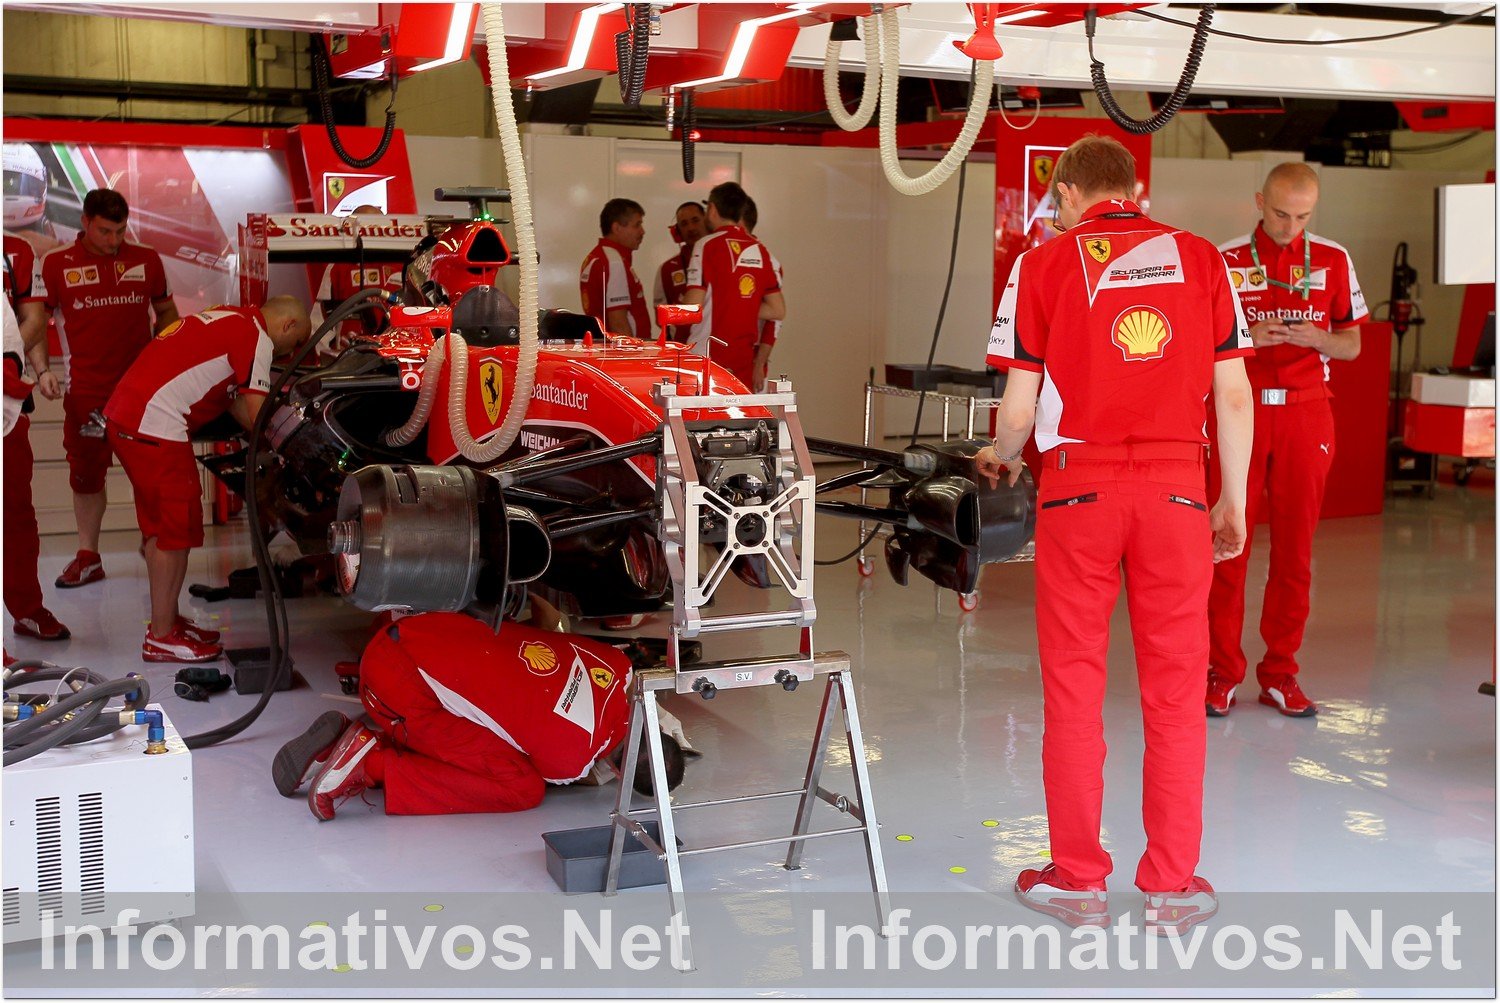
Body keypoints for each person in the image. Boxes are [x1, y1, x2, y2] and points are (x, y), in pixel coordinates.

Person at [976, 135, 1254, 934]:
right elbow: (1231, 396)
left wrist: (995, 457)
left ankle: (1077, 880)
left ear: (1066, 195)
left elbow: (1019, 415)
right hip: (1177, 492)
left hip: (1079, 495)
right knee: (1175, 691)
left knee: (1073, 686)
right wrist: (1229, 501)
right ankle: (1170, 886)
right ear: (1135, 187)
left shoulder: (1044, 264)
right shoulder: (1205, 260)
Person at [1207, 162, 1367, 719]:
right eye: (1279, 214)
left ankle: (1280, 672)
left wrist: (1320, 337)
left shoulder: (1332, 258)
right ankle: (1221, 672)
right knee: (1229, 545)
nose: (1289, 226)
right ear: (1259, 200)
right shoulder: (1225, 259)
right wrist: (1247, 337)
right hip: (1239, 413)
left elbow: (1352, 346)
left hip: (1305, 414)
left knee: (1296, 552)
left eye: (1301, 216)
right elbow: (1201, 345)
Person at [271, 611, 684, 820]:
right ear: (618, 771)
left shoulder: (617, 663)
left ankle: (355, 736)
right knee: (522, 785)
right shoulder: (570, 763)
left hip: (413, 631)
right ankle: (372, 760)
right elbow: (503, 759)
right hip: (396, 685)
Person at [103, 297, 311, 663]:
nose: (287, 354)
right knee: (175, 531)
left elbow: (232, 400)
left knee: (160, 530)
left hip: (130, 417)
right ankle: (162, 637)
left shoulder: (232, 316)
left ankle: (166, 623)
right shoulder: (257, 339)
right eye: (293, 345)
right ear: (288, 326)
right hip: (155, 425)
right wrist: (295, 443)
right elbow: (255, 415)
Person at [19, 188, 178, 589]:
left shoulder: (147, 259)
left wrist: (171, 363)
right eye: (105, 231)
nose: (113, 241)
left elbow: (166, 314)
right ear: (85, 222)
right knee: (86, 477)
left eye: (120, 231)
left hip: (142, 395)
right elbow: (36, 324)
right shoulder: (55, 264)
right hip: (87, 396)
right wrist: (41, 371)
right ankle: (88, 556)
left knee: (150, 473)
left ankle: (154, 541)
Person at [3, 254, 69, 645]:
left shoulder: (16, 252)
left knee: (16, 512)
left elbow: (33, 320)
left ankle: (27, 609)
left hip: (6, 398)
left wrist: (39, 369)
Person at [681, 182, 785, 392]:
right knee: (738, 422)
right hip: (742, 360)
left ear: (712, 209)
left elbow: (691, 308)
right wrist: (739, 304)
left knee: (697, 422)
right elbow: (777, 311)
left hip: (705, 357)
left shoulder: (706, 245)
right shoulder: (762, 251)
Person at [311, 205, 404, 359]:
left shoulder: (403, 265)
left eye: (377, 225)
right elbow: (320, 320)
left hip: (394, 356)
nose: (371, 231)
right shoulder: (337, 267)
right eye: (366, 226)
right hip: (348, 358)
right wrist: (325, 362)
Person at [580, 198, 651, 339]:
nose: (642, 231)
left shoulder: (596, 255)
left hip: (603, 345)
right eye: (637, 225)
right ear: (617, 228)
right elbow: (618, 322)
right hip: (623, 351)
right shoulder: (613, 262)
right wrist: (633, 357)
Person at [739, 197, 784, 393]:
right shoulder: (721, 253)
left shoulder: (767, 259)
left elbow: (776, 319)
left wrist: (758, 365)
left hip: (753, 358)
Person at [653, 201, 707, 343]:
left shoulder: (724, 260)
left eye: (695, 221)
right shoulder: (666, 270)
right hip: (683, 351)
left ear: (707, 222)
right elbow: (660, 318)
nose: (691, 228)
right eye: (684, 224)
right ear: (677, 232)